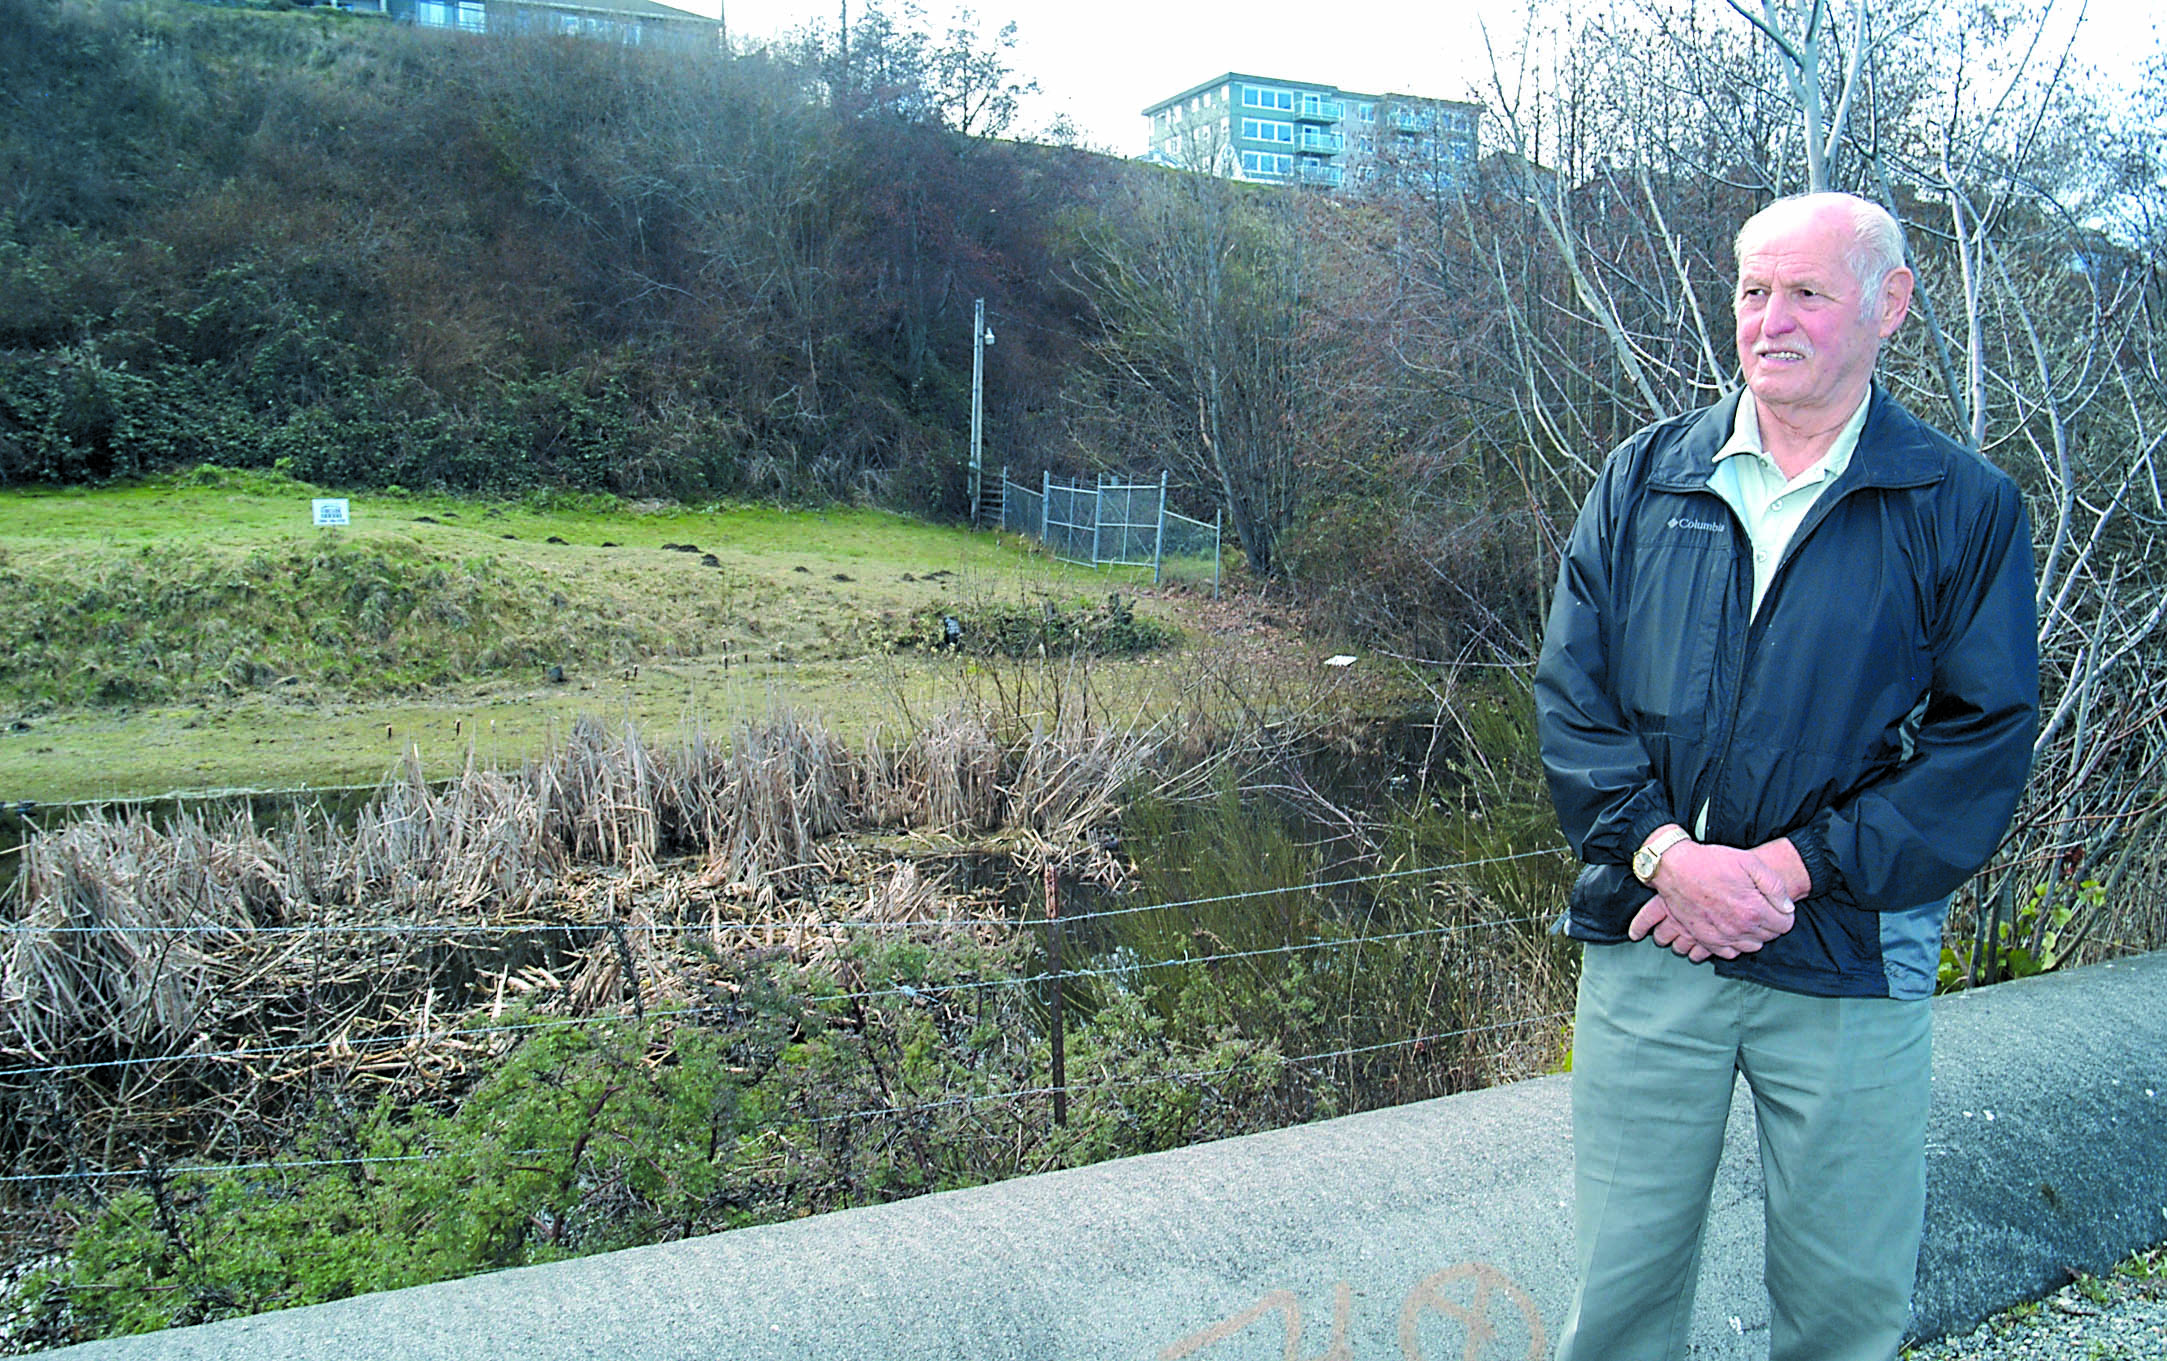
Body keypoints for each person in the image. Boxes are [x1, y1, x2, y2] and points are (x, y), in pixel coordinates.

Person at [1533, 192, 2039, 1361]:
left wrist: (1782, 869)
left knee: (1845, 1303)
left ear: (1888, 304)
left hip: (1852, 952)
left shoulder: (1960, 506)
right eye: (1755, 292)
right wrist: (1666, 854)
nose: (1772, 321)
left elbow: (1981, 739)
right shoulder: (1644, 478)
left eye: (1807, 292)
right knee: (1617, 1302)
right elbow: (1571, 696)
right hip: (1653, 934)